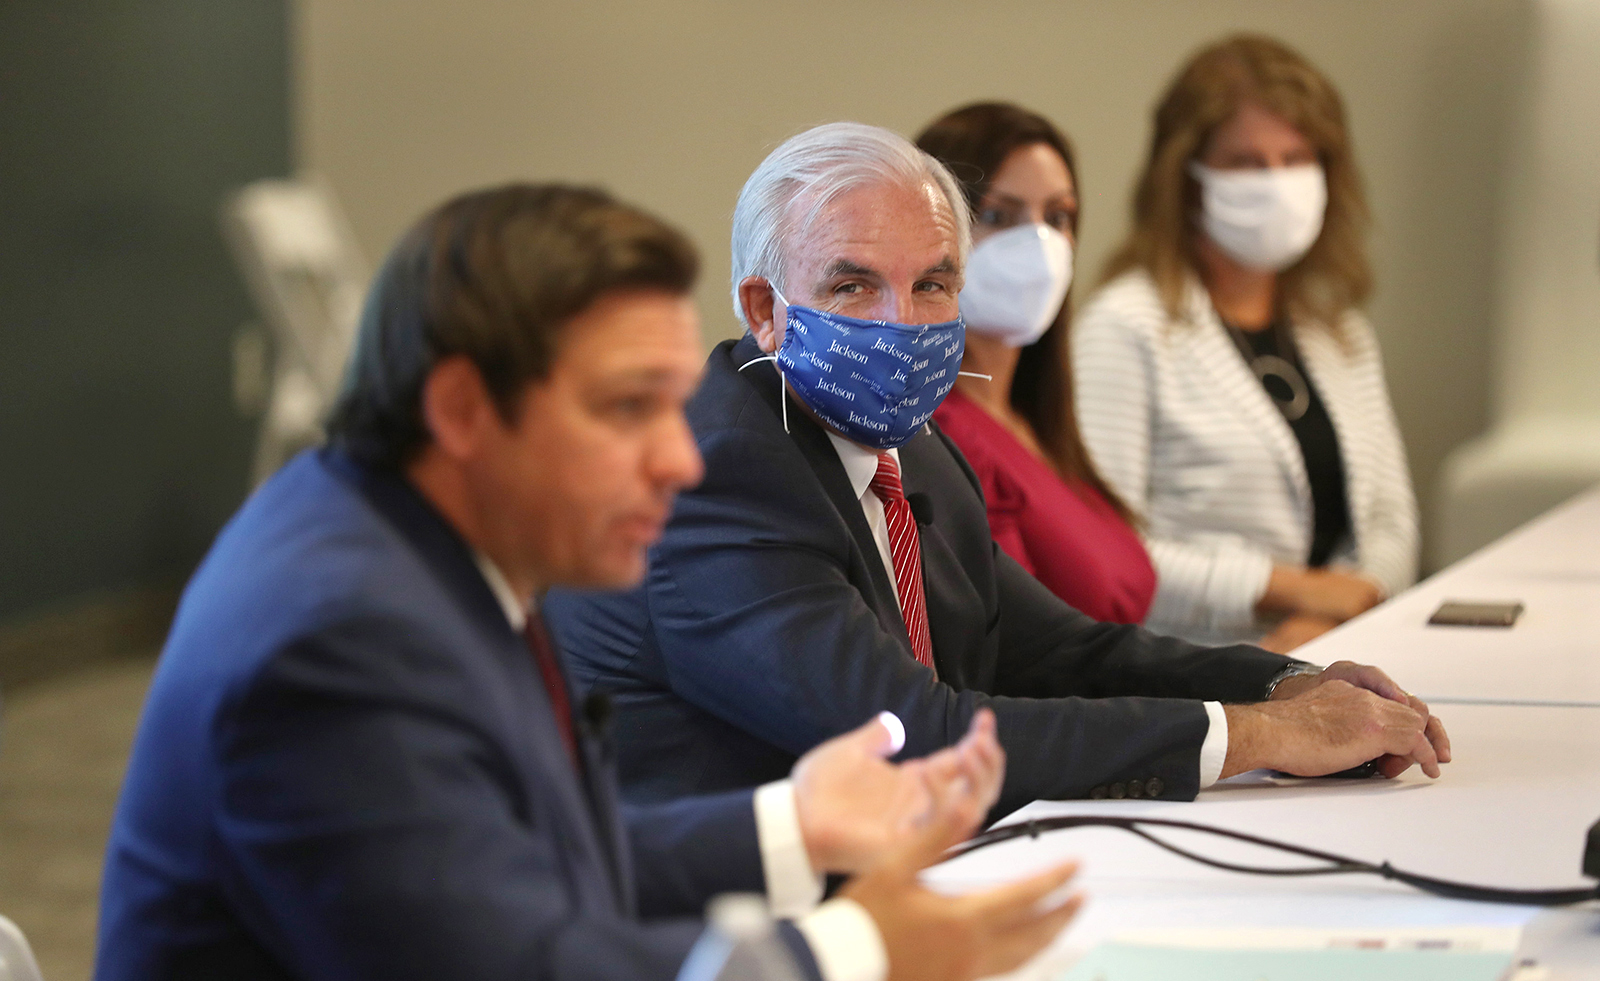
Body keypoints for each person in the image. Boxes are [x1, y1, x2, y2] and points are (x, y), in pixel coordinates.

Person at [83, 184, 1086, 981]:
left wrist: (794, 822)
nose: (680, 460)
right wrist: (853, 953)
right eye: (626, 408)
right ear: (463, 408)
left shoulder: (417, 537)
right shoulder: (336, 635)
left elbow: (514, 870)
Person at [546, 122, 1448, 817]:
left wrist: (1289, 686)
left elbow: (1059, 649)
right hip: (730, 941)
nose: (902, 324)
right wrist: (1259, 738)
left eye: (933, 284)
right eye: (853, 285)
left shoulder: (916, 444)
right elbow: (909, 735)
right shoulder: (714, 473)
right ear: (764, 309)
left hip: (921, 873)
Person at [1073, 34, 1419, 652]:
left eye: (1296, 157)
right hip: (1194, 673)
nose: (1277, 183)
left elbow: (1392, 524)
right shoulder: (1123, 328)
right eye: (1246, 162)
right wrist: (1290, 592)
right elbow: (1108, 552)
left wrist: (1317, 627)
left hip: (1344, 649)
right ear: (1185, 177)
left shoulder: (1338, 330)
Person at [915, 102, 1154, 624]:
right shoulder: (940, 432)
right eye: (999, 216)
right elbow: (1025, 653)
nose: (1039, 243)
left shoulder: (1036, 421)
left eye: (1058, 217)